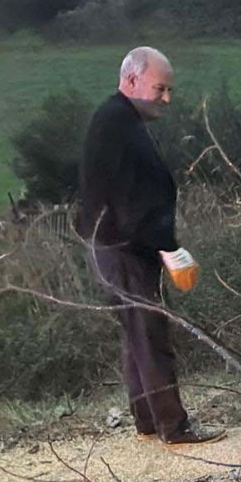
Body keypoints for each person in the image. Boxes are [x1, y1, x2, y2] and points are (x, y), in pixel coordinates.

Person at [77, 46, 219, 446]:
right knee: (150, 334)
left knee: (136, 333)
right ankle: (174, 428)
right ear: (133, 79)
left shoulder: (117, 119)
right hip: (123, 247)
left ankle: (147, 420)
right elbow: (136, 201)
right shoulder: (118, 124)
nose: (167, 98)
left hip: (113, 244)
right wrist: (170, 250)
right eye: (161, 88)